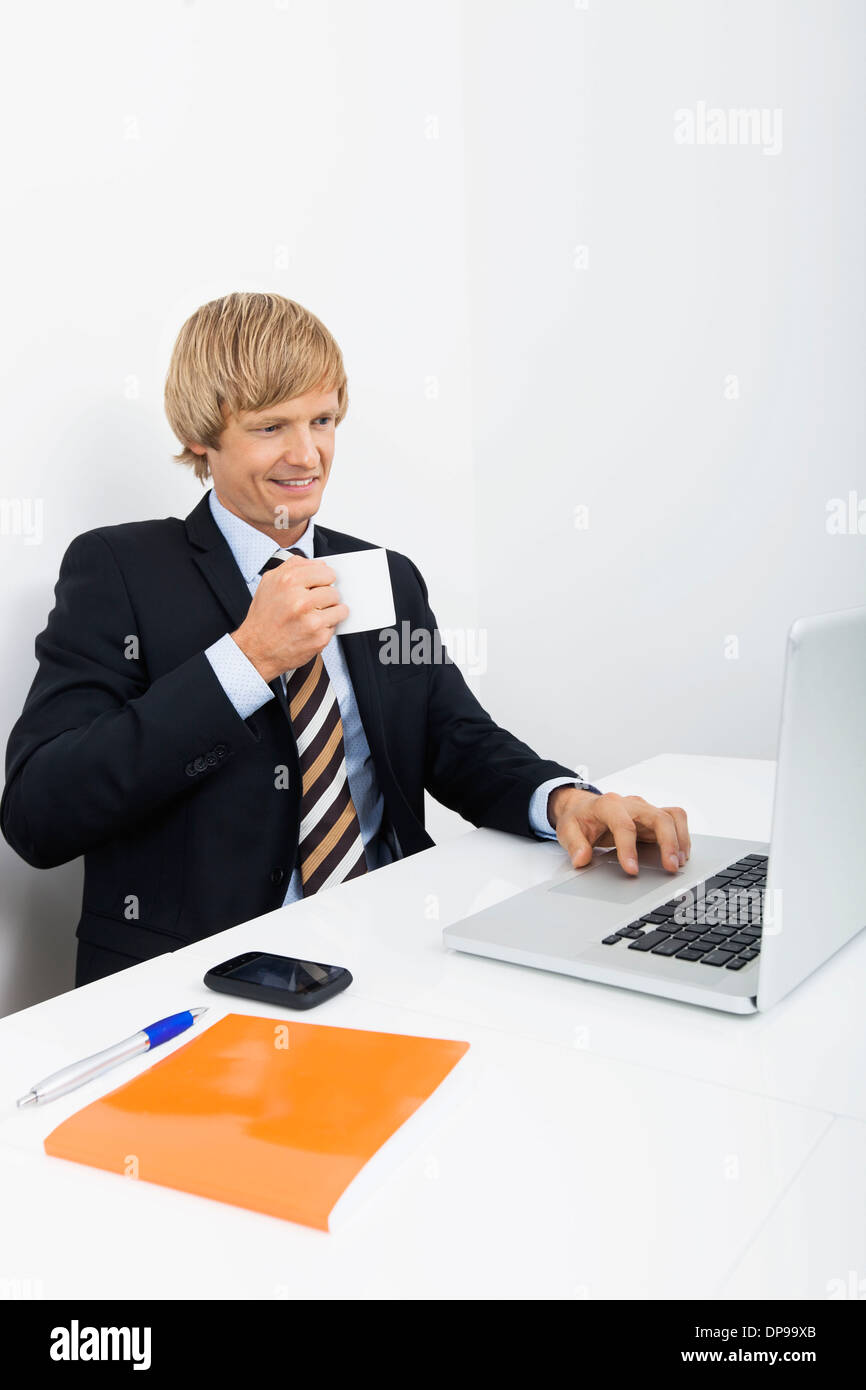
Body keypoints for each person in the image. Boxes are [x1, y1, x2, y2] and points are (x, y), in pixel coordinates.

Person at [1, 292, 690, 986]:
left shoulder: (381, 575)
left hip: (391, 950)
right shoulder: (122, 570)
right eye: (272, 427)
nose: (307, 455)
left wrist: (566, 801)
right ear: (200, 439)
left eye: (323, 420)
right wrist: (246, 660)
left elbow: (457, 740)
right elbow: (39, 813)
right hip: (211, 979)